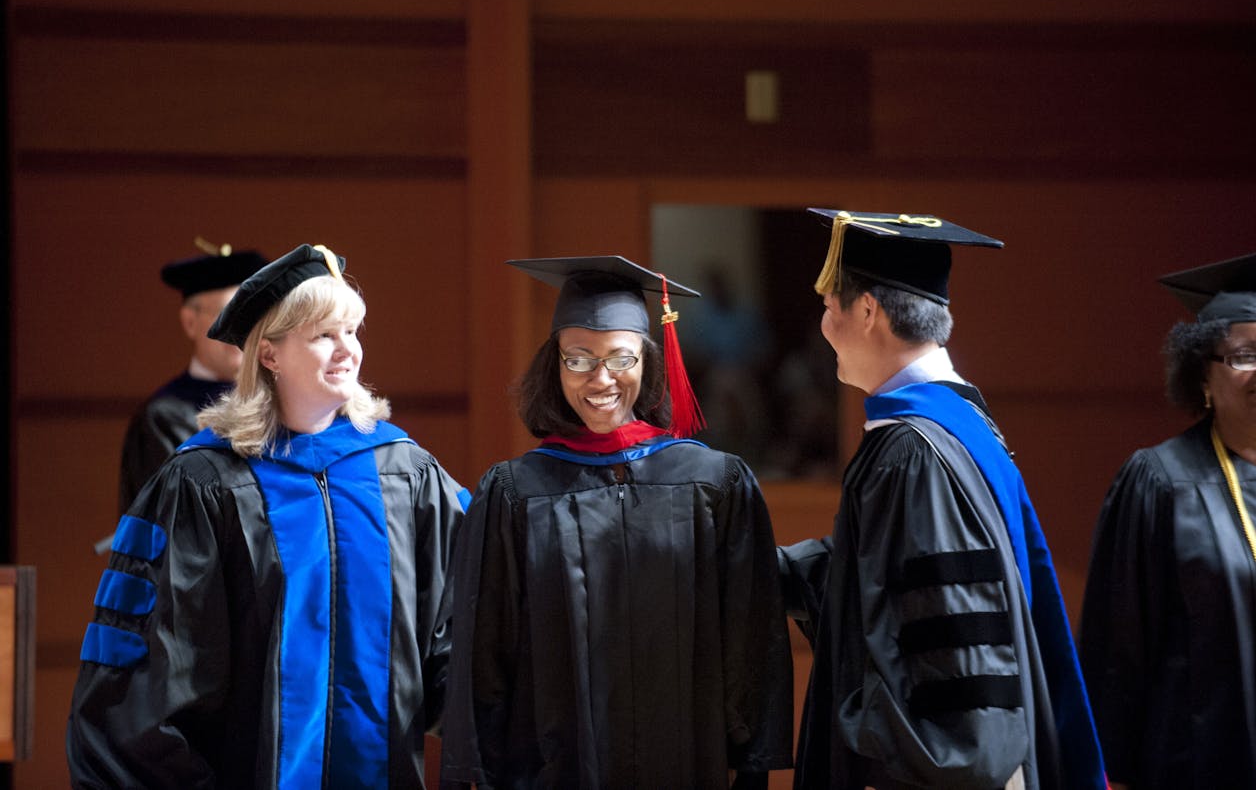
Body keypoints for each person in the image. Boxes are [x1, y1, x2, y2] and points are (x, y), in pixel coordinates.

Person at [68, 244, 466, 789]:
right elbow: (151, 672)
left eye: (352, 331)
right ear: (269, 355)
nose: (346, 350)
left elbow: (456, 633)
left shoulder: (405, 473)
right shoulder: (205, 484)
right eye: (323, 335)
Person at [779, 210, 1106, 790]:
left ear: (869, 310)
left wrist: (897, 753)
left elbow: (947, 631)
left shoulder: (915, 451)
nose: (824, 326)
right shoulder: (958, 424)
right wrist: (773, 569)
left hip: (945, 772)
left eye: (831, 308)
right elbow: (901, 576)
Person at [440, 256, 793, 788]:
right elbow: (483, 656)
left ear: (649, 362)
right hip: (550, 770)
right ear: (554, 366)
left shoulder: (716, 484)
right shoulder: (515, 492)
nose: (600, 378)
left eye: (619, 358)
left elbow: (750, 641)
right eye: (577, 360)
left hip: (684, 765)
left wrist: (752, 765)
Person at [1080, 252, 1256, 789]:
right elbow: (1117, 661)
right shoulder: (1159, 482)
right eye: (1245, 354)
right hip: (1195, 768)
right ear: (1203, 372)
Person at [118, 241, 267, 516]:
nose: (240, 330)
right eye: (226, 314)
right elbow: (168, 521)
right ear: (190, 321)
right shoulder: (164, 417)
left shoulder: (280, 405)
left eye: (250, 316)